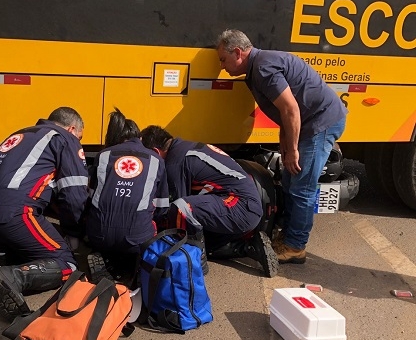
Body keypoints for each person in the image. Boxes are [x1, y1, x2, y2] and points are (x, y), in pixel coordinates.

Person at [215, 29, 347, 264]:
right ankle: (286, 235)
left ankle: (296, 246)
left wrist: (293, 149)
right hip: (308, 123)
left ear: (237, 52)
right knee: (288, 181)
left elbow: (291, 110)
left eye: (223, 60)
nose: (222, 67)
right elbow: (285, 113)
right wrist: (285, 145)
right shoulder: (259, 66)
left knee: (302, 187)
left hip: (320, 123)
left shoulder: (264, 68)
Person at [0, 107, 89, 319]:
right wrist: (75, 232)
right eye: (80, 136)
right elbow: (74, 194)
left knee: (27, 231)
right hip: (11, 212)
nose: (78, 141)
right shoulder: (65, 138)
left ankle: (9, 253)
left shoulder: (21, 133)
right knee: (65, 263)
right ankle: (13, 277)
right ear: (71, 129)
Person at [140, 125, 278, 277]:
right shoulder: (185, 148)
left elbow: (171, 207)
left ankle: (196, 264)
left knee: (181, 210)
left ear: (155, 152)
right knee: (202, 240)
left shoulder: (175, 162)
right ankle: (248, 248)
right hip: (243, 207)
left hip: (240, 206)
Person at [85, 109, 169, 281]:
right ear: (140, 138)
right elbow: (161, 206)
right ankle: (136, 265)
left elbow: (90, 198)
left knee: (102, 225)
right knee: (143, 230)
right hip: (137, 237)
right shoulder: (156, 160)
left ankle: (106, 257)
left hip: (98, 235)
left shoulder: (102, 156)